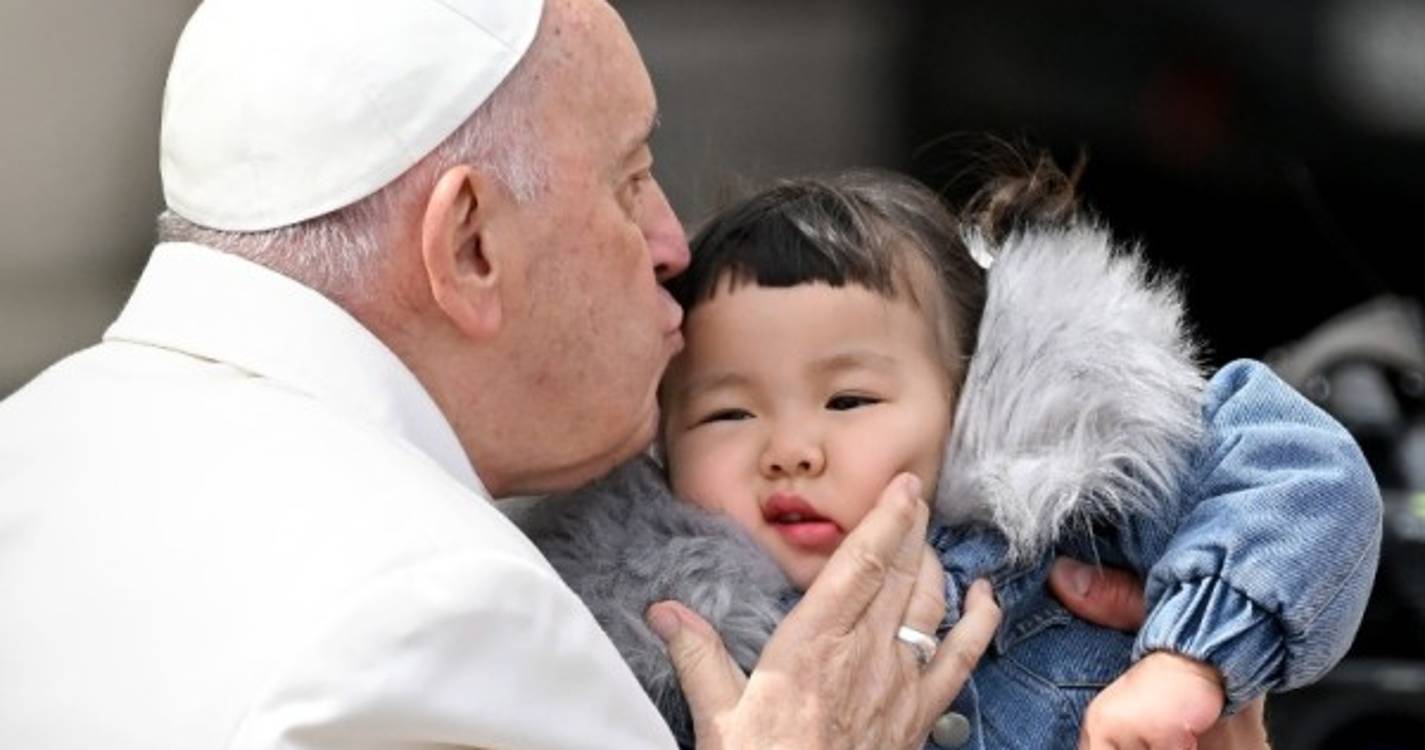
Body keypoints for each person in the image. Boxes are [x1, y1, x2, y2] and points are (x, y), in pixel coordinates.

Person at [0, 0, 1009, 747]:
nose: (671, 242)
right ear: (471, 245)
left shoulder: (27, 443)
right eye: (629, 178)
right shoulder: (442, 620)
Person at [521, 163, 1382, 748]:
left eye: (848, 400)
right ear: (661, 444)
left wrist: (1187, 659)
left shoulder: (1068, 530)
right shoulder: (648, 653)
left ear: (967, 402)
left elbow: (1297, 472)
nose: (788, 451)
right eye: (727, 412)